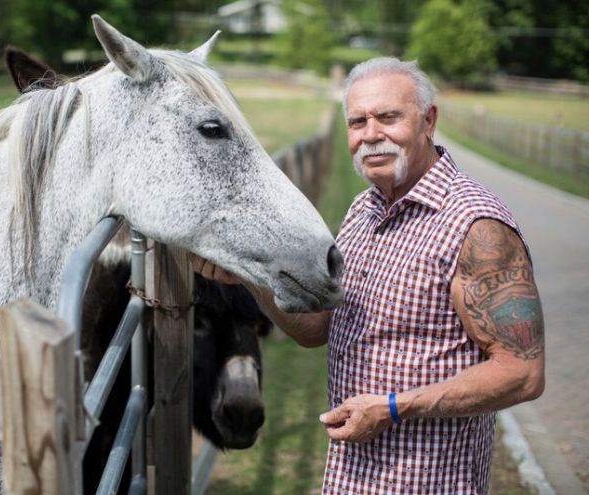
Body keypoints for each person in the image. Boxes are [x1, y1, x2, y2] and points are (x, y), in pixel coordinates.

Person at [192, 56, 545, 494]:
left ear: (429, 120)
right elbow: (317, 329)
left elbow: (522, 372)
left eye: (388, 117)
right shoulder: (364, 210)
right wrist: (248, 277)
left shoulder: (476, 225)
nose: (371, 134)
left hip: (429, 483)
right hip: (350, 478)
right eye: (357, 121)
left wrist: (395, 408)